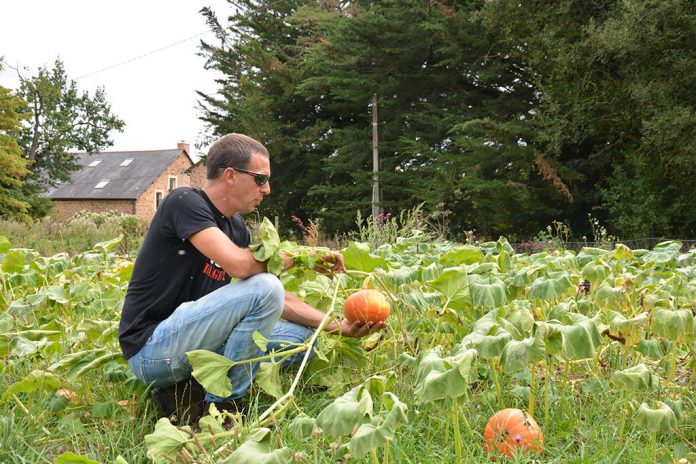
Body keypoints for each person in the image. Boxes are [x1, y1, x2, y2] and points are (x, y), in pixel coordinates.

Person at [118, 133, 385, 424]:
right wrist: (302, 257)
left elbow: (275, 299)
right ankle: (223, 409)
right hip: (153, 349)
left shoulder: (236, 228)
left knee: (304, 341)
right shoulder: (184, 201)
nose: (267, 189)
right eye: (260, 179)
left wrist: (335, 327)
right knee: (266, 286)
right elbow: (240, 266)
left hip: (197, 342)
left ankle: (189, 387)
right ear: (230, 175)